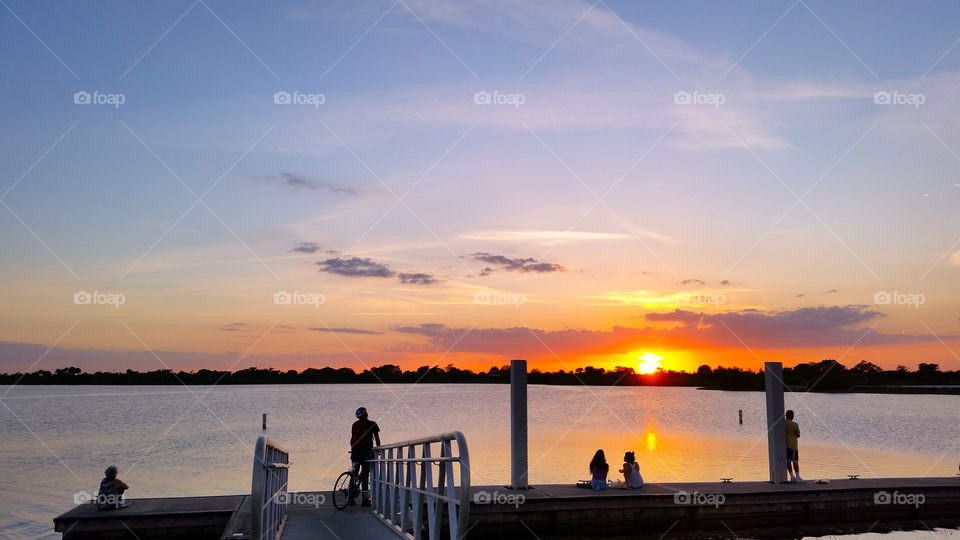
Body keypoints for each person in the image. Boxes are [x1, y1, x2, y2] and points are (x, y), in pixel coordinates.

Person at [350, 406, 381, 507]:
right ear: (366, 414)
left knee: (354, 473)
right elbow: (377, 439)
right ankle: (364, 499)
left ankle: (350, 497)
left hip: (354, 452)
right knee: (364, 475)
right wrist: (379, 449)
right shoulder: (372, 424)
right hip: (365, 453)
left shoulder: (354, 424)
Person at [785, 410, 803, 482]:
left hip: (785, 445)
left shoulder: (783, 423)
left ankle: (792, 476)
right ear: (792, 416)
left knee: (788, 461)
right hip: (793, 445)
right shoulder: (795, 424)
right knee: (795, 461)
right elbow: (798, 435)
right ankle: (798, 477)